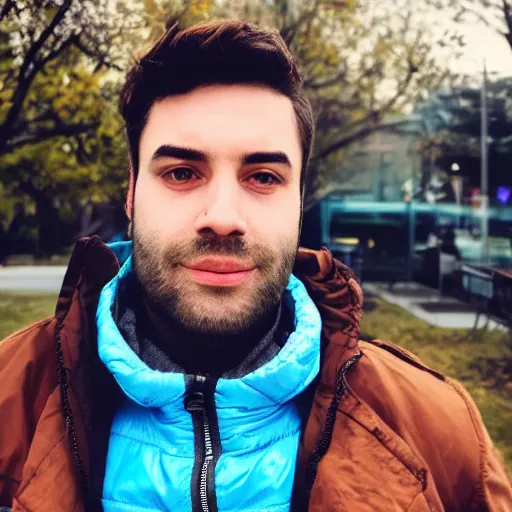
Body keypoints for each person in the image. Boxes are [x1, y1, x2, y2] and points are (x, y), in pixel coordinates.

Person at [0, 20, 511, 512]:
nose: (223, 218)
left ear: (298, 200)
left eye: (263, 177)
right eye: (181, 172)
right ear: (132, 193)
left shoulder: (443, 438)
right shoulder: (8, 406)